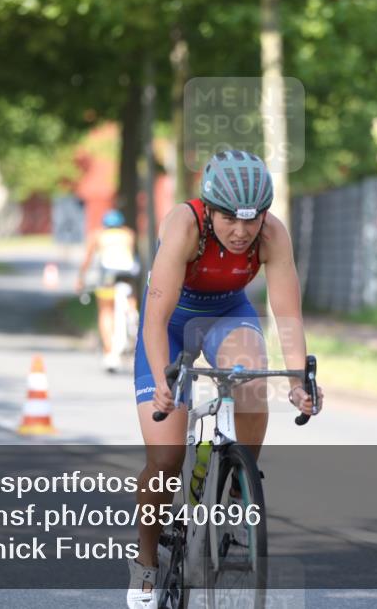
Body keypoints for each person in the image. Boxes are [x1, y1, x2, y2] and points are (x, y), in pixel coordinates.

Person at [126, 150, 324, 609]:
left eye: (251, 222)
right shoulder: (183, 226)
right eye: (230, 220)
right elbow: (154, 321)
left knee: (253, 379)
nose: (240, 233)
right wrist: (161, 380)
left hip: (226, 315)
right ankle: (146, 561)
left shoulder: (272, 235)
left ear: (265, 216)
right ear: (210, 210)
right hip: (170, 322)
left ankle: (239, 478)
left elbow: (288, 313)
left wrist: (298, 380)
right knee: (167, 457)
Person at [77, 209, 140, 370]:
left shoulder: (98, 235)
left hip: (108, 277)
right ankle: (132, 313)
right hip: (127, 274)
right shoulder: (128, 234)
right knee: (129, 294)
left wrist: (80, 279)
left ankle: (109, 351)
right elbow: (132, 255)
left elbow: (88, 259)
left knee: (106, 311)